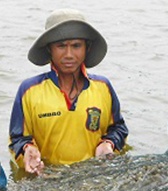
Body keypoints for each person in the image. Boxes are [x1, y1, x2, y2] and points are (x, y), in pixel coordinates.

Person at [9, 8, 128, 175]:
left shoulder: (103, 87)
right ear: (49, 49)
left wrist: (108, 144)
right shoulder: (29, 90)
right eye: (61, 46)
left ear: (87, 48)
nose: (69, 54)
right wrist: (27, 149)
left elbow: (118, 129)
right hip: (48, 178)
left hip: (93, 177)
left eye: (76, 46)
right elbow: (17, 139)